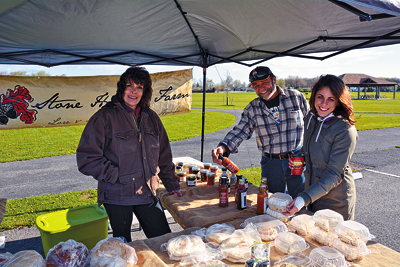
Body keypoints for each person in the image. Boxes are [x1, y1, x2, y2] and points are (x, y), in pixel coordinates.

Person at [76, 66, 182, 242]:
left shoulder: (152, 117)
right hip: (117, 194)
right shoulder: (104, 117)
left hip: (148, 192)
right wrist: (116, 175)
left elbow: (163, 154)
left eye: (139, 87)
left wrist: (172, 183)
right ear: (122, 88)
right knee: (122, 248)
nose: (134, 92)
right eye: (130, 86)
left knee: (164, 241)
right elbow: (86, 158)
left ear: (145, 91)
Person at [211, 66, 309, 198]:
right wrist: (223, 147)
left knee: (300, 200)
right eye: (256, 85)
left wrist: (309, 155)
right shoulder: (252, 108)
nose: (261, 88)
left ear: (274, 79)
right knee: (272, 202)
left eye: (264, 82)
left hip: (296, 159)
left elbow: (311, 125)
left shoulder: (296, 97)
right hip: (271, 163)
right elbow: (240, 131)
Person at [283, 74, 358, 220]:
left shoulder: (345, 130)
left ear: (339, 102)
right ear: (313, 97)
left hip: (336, 200)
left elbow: (335, 174)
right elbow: (311, 147)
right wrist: (301, 157)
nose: (324, 104)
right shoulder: (311, 117)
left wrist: (303, 198)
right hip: (313, 194)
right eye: (320, 97)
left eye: (331, 99)